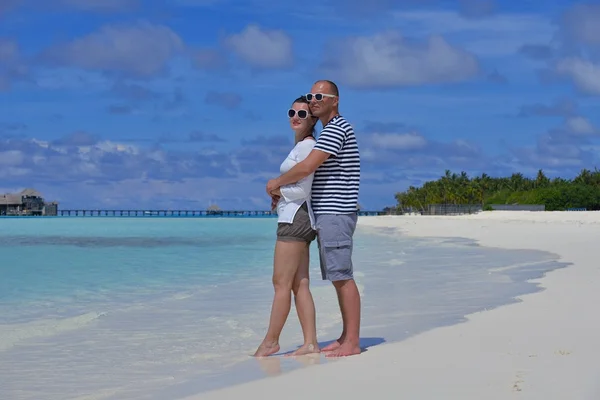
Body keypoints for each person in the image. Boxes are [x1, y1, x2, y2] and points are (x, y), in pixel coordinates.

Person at [266, 80, 361, 358]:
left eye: (320, 96)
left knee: (342, 276)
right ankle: (346, 336)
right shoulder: (332, 130)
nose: (314, 100)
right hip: (327, 213)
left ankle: (352, 341)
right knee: (336, 276)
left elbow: (308, 167)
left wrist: (275, 183)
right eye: (311, 96)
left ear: (336, 100)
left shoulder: (336, 129)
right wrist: (281, 189)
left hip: (336, 212)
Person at [254, 95, 321, 357]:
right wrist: (279, 191)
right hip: (300, 217)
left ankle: (271, 341)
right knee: (299, 284)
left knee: (280, 283)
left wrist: (275, 188)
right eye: (292, 112)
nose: (295, 117)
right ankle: (311, 343)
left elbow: (302, 189)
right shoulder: (302, 146)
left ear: (313, 119)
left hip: (294, 219)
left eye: (302, 114)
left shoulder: (306, 147)